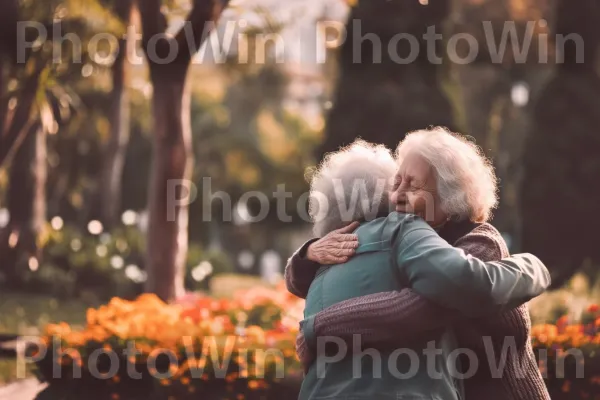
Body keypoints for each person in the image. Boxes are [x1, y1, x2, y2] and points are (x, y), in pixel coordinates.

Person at [294, 135, 550, 400]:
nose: (397, 197)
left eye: (413, 186)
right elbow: (311, 282)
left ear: (450, 198)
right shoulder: (415, 246)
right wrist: (308, 254)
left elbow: (416, 310)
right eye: (397, 182)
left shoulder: (479, 242)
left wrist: (318, 328)